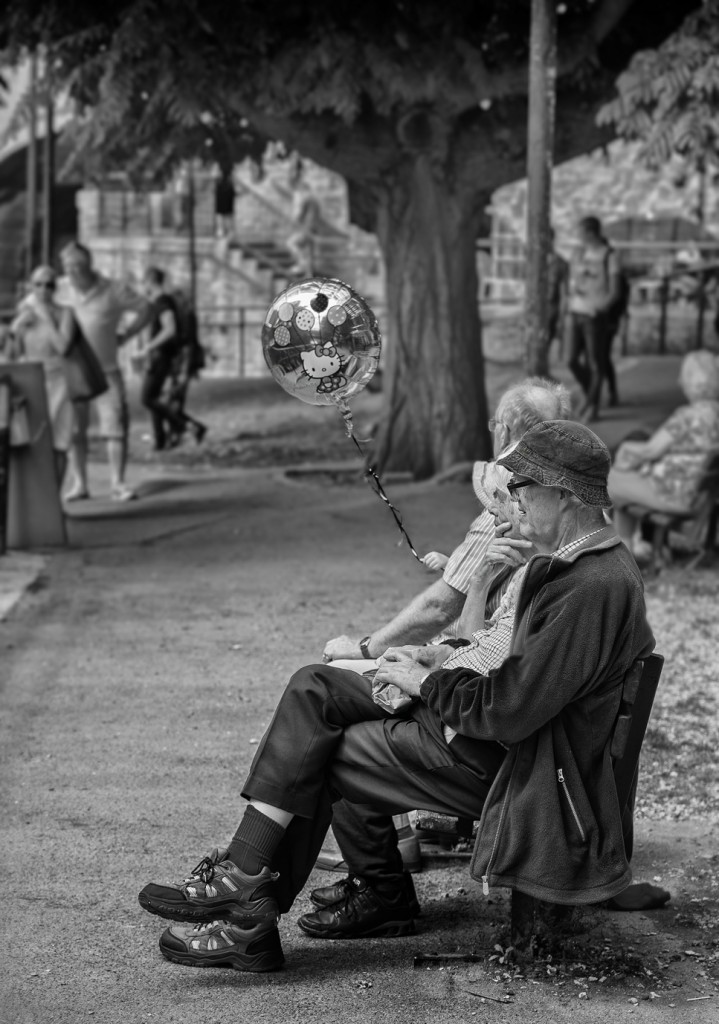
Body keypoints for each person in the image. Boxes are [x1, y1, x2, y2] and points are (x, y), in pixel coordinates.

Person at [138, 420, 655, 973]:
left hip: (526, 772)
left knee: (321, 739)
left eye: (527, 487)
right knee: (316, 698)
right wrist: (438, 659)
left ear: (568, 496)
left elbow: (505, 710)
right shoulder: (587, 566)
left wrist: (426, 683)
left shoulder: (587, 585)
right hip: (522, 751)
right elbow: (517, 676)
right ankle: (248, 905)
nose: (516, 498)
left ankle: (248, 908)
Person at [322, 377, 572, 663]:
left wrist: (364, 649)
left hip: (488, 656)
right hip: (529, 651)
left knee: (328, 676)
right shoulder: (569, 491)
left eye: (494, 425)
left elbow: (441, 607)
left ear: (504, 432)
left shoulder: (509, 496)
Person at [58, 242, 151, 502]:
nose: (74, 271)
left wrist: (128, 334)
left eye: (78, 264)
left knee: (116, 426)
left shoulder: (112, 289)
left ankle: (117, 483)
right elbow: (33, 303)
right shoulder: (60, 289)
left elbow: (146, 308)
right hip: (73, 372)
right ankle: (79, 484)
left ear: (90, 264)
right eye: (68, 266)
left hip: (107, 370)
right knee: (75, 430)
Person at [608, 350, 719, 556]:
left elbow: (651, 450)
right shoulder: (715, 415)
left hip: (671, 494)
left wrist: (625, 448)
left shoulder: (688, 416)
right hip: (697, 495)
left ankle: (620, 552)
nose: (679, 382)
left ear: (693, 382)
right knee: (623, 483)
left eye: (683, 376)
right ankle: (626, 550)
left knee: (608, 479)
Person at [10, 265, 75, 488]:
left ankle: (55, 499)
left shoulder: (65, 313)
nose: (43, 289)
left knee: (60, 441)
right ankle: (36, 498)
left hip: (59, 381)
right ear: (31, 285)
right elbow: (14, 353)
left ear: (55, 287)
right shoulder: (25, 311)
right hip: (32, 381)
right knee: (32, 441)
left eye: (49, 284)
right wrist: (16, 328)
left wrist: (44, 317)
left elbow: (63, 347)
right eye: (38, 284)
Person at [139, 268, 207, 450]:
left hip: (162, 357)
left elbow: (171, 330)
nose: (142, 286)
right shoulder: (162, 303)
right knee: (155, 398)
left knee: (148, 398)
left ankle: (187, 426)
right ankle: (162, 439)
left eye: (143, 282)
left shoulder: (163, 302)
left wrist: (148, 347)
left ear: (150, 282)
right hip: (162, 357)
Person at [567, 215, 621, 422]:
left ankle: (592, 404)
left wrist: (601, 309)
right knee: (570, 359)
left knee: (595, 362)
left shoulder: (610, 255)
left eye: (579, 232)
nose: (577, 236)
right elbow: (572, 279)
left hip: (595, 315)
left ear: (590, 233)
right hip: (576, 310)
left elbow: (615, 291)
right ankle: (590, 396)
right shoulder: (578, 253)